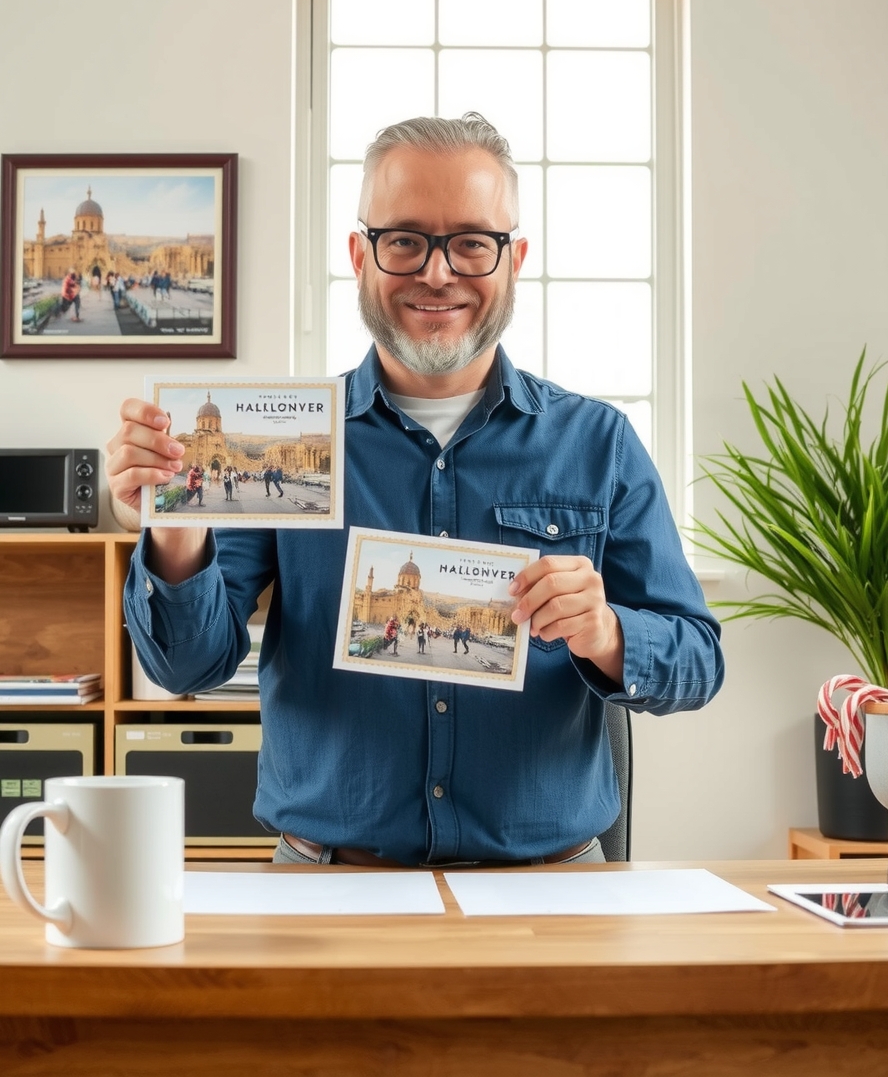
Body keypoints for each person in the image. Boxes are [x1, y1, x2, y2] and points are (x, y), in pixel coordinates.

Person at [106, 112, 723, 870]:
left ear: (515, 258)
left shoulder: (598, 444)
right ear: (360, 255)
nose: (438, 272)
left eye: (472, 241)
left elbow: (698, 662)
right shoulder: (298, 440)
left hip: (557, 896)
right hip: (327, 893)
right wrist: (174, 526)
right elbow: (183, 668)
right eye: (405, 240)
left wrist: (608, 635)